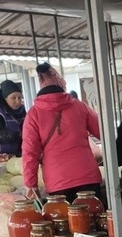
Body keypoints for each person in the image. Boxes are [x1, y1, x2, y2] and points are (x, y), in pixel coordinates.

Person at [22, 63, 102, 203]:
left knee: (65, 223)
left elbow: (30, 152)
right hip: (88, 176)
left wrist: (31, 184)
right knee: (94, 221)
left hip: (58, 182)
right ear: (62, 86)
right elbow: (103, 132)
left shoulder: (33, 114)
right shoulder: (80, 106)